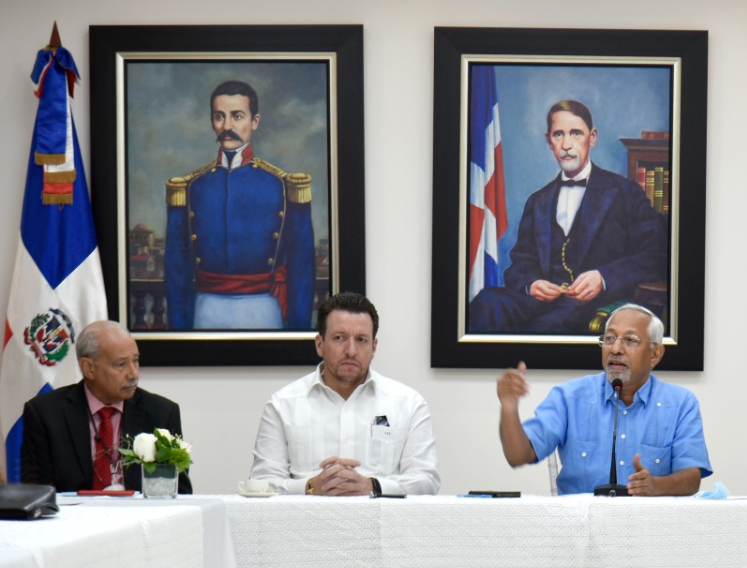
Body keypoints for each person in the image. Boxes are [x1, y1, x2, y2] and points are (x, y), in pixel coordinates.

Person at [469, 100, 668, 333]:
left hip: (593, 305)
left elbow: (657, 255)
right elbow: (521, 263)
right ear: (549, 141)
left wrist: (603, 278)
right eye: (558, 134)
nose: (566, 144)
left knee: (544, 328)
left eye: (576, 133)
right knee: (487, 302)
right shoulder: (538, 200)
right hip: (541, 302)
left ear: (592, 137)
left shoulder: (625, 193)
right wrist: (532, 284)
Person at [496, 304, 711, 495]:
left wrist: (656, 486)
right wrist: (509, 409)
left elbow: (691, 478)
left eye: (630, 340)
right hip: (579, 525)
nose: (615, 349)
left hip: (649, 524)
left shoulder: (680, 404)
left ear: (655, 354)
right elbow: (518, 456)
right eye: (609, 339)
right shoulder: (569, 397)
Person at [250, 292, 439, 496]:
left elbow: (426, 480)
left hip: (379, 516)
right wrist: (310, 487)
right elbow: (262, 481)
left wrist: (373, 486)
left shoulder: (408, 404)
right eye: (339, 338)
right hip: (308, 516)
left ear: (373, 347)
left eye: (361, 340)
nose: (351, 351)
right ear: (320, 344)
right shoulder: (283, 404)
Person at [165, 80, 315, 330]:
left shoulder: (282, 185)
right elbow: (176, 269)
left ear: (254, 121)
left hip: (265, 310)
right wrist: (179, 331)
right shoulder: (190, 186)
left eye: (237, 116)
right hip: (204, 311)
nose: (227, 126)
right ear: (211, 121)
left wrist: (297, 332)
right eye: (219, 117)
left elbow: (301, 267)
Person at [20, 321, 193, 493]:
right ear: (89, 368)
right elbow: (37, 494)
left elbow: (179, 492)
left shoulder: (161, 413)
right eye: (121, 364)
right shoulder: (45, 414)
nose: (134, 374)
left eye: (135, 361)